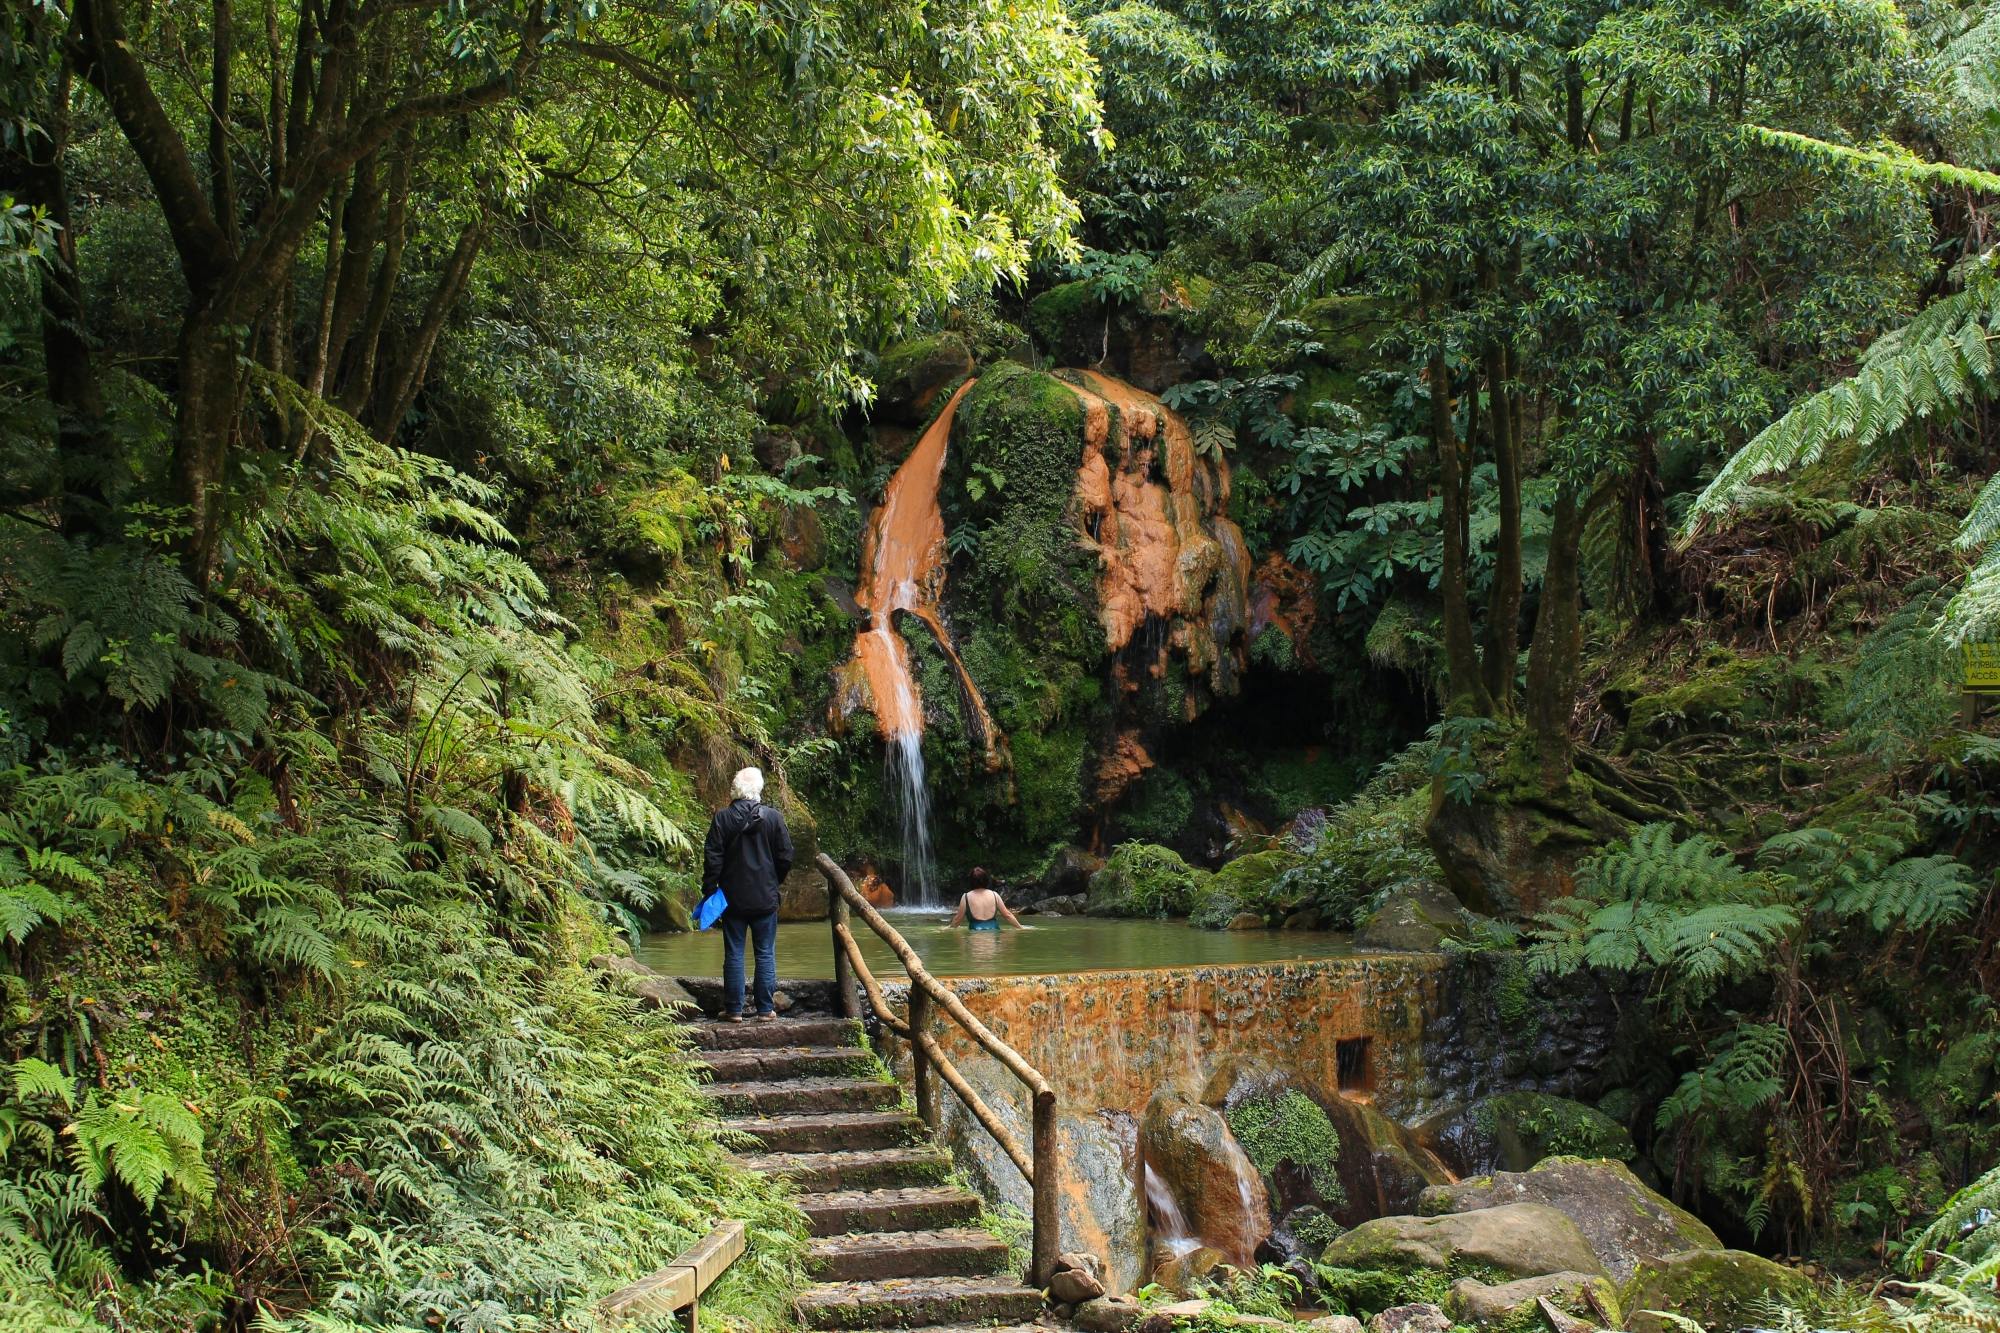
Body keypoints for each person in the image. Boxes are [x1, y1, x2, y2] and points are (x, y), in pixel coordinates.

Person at [702, 766, 795, 1021]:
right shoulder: (773, 818)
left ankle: (734, 1010)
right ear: (759, 789)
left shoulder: (722, 818)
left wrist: (711, 891)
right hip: (765, 898)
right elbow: (786, 856)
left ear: (735, 789)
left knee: (734, 952)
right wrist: (774, 881)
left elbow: (713, 860)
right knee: (765, 952)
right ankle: (765, 1010)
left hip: (732, 899)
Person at [948, 867, 1029, 931]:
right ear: (986, 880)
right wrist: (1020, 927)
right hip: (994, 932)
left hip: (975, 933)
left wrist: (947, 928)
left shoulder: (966, 897)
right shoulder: (994, 895)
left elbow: (958, 919)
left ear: (971, 881)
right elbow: (1007, 915)